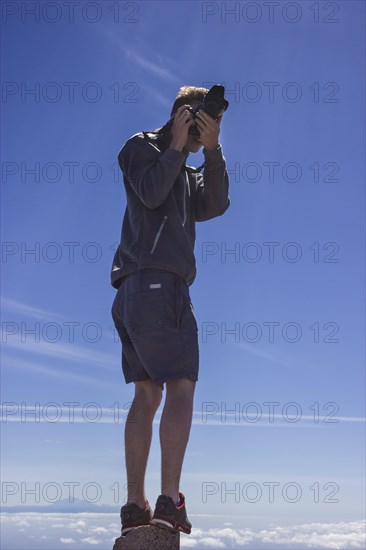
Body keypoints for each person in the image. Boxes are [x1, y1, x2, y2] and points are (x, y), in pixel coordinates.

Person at [110, 85, 230, 536]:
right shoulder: (143, 147)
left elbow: (215, 204)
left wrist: (213, 151)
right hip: (161, 286)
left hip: (133, 293)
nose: (204, 129)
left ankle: (134, 507)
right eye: (199, 119)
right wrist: (178, 145)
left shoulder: (186, 169)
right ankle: (166, 501)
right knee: (180, 386)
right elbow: (152, 192)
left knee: (146, 395)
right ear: (182, 114)